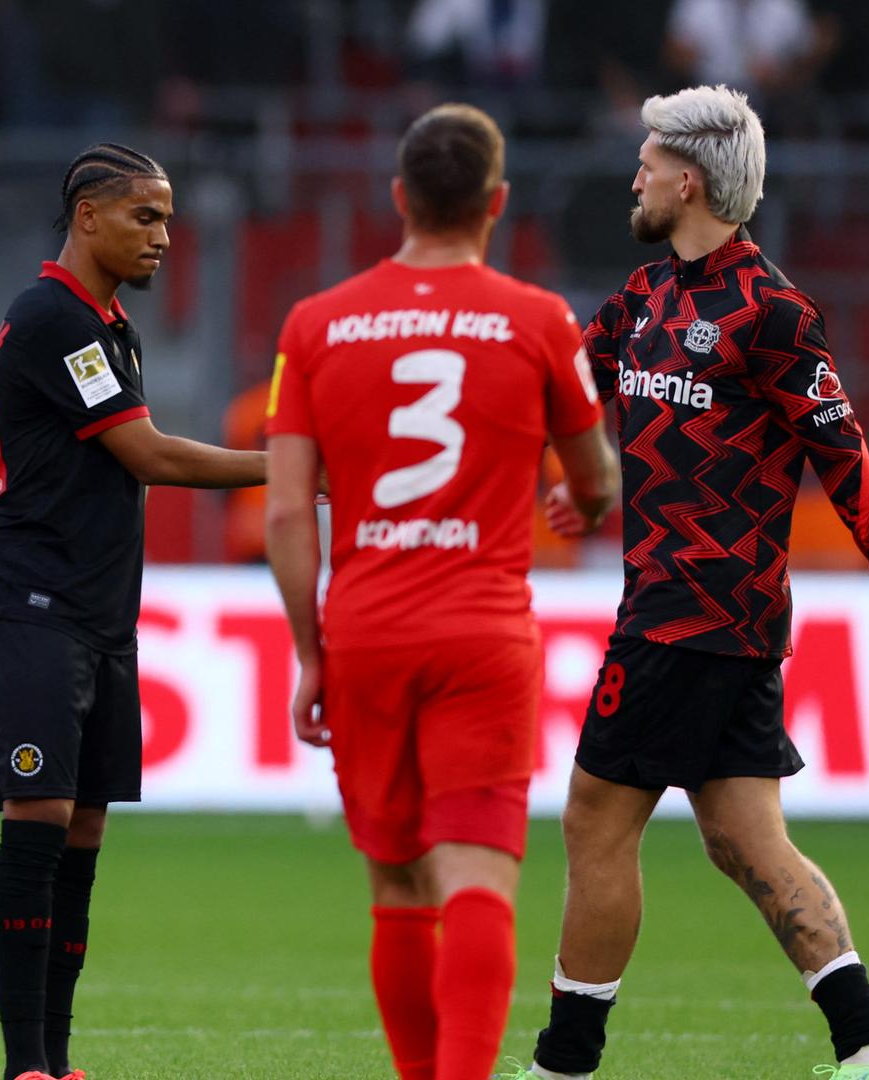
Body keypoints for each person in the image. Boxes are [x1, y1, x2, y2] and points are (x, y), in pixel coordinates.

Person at [519, 85, 869, 1080]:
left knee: (595, 818)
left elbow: (846, 461)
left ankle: (565, 1063)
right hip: (705, 624)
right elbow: (564, 394)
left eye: (648, 163)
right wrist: (582, 474)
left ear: (689, 181)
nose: (634, 178)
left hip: (692, 617)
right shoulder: (646, 295)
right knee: (746, 842)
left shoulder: (773, 312)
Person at [264, 104, 619, 1080]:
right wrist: (580, 500)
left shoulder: (316, 323)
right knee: (476, 880)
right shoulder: (541, 319)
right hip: (482, 634)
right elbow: (596, 478)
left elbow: (288, 514)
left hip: (366, 631)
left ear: (399, 198)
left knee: (396, 888)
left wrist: (310, 652)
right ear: (497, 203)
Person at [0, 143, 267, 1080]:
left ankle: (56, 1060)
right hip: (30, 600)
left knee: (84, 832)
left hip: (98, 610)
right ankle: (24, 1064)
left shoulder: (109, 325)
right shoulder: (51, 316)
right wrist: (295, 468)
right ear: (87, 216)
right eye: (146, 216)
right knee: (41, 814)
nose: (164, 236)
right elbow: (150, 456)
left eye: (168, 218)